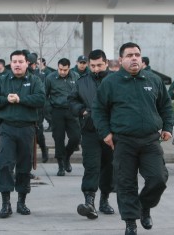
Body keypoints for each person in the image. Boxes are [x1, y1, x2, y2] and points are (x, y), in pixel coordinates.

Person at [92, 42, 174, 235]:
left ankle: (144, 206)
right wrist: (105, 133)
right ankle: (130, 223)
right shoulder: (111, 83)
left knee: (159, 178)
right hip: (123, 141)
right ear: (121, 60)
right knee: (126, 184)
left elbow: (166, 106)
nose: (134, 58)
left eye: (137, 54)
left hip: (150, 141)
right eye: (129, 55)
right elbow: (98, 109)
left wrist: (168, 127)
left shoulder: (153, 80)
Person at [0, 50, 45, 218]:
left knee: (24, 166)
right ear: (10, 63)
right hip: (7, 129)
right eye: (14, 61)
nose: (17, 64)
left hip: (27, 129)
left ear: (27, 63)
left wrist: (20, 99)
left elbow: (40, 100)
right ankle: (6, 204)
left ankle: (22, 202)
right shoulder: (2, 81)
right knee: (5, 165)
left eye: (21, 61)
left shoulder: (34, 81)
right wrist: (6, 98)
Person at [68, 49, 114, 220]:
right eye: (92, 66)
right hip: (90, 131)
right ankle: (90, 203)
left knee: (109, 167)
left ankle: (104, 200)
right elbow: (72, 101)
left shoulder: (115, 81)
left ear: (106, 63)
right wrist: (82, 111)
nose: (96, 69)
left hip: (111, 131)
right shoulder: (81, 82)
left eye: (99, 65)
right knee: (91, 165)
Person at [45, 58, 80, 176]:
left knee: (76, 137)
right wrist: (49, 110)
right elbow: (45, 95)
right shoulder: (50, 78)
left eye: (65, 70)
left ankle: (66, 157)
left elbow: (80, 94)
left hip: (72, 111)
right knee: (58, 139)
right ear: (57, 67)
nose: (63, 72)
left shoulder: (75, 76)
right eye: (60, 69)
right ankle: (61, 165)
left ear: (69, 68)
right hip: (57, 111)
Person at [37, 57, 55, 132]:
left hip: (46, 95)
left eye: (38, 63)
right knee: (40, 112)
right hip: (38, 94)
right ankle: (39, 126)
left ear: (42, 63)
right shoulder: (37, 71)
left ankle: (52, 125)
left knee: (47, 112)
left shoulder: (48, 72)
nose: (37, 65)